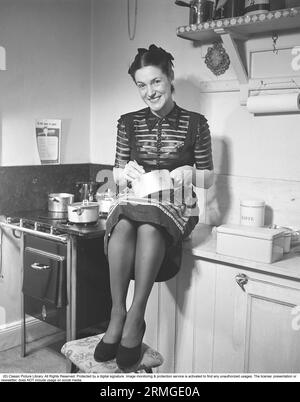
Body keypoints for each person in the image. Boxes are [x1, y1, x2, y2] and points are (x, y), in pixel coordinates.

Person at [94, 44, 214, 370]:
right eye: (142, 85)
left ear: (170, 78)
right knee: (120, 224)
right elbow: (117, 174)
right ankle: (117, 312)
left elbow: (208, 178)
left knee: (149, 225)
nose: (149, 91)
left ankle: (136, 316)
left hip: (179, 203)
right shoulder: (128, 123)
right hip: (138, 198)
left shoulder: (195, 123)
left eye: (156, 82)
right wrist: (123, 173)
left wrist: (191, 173)